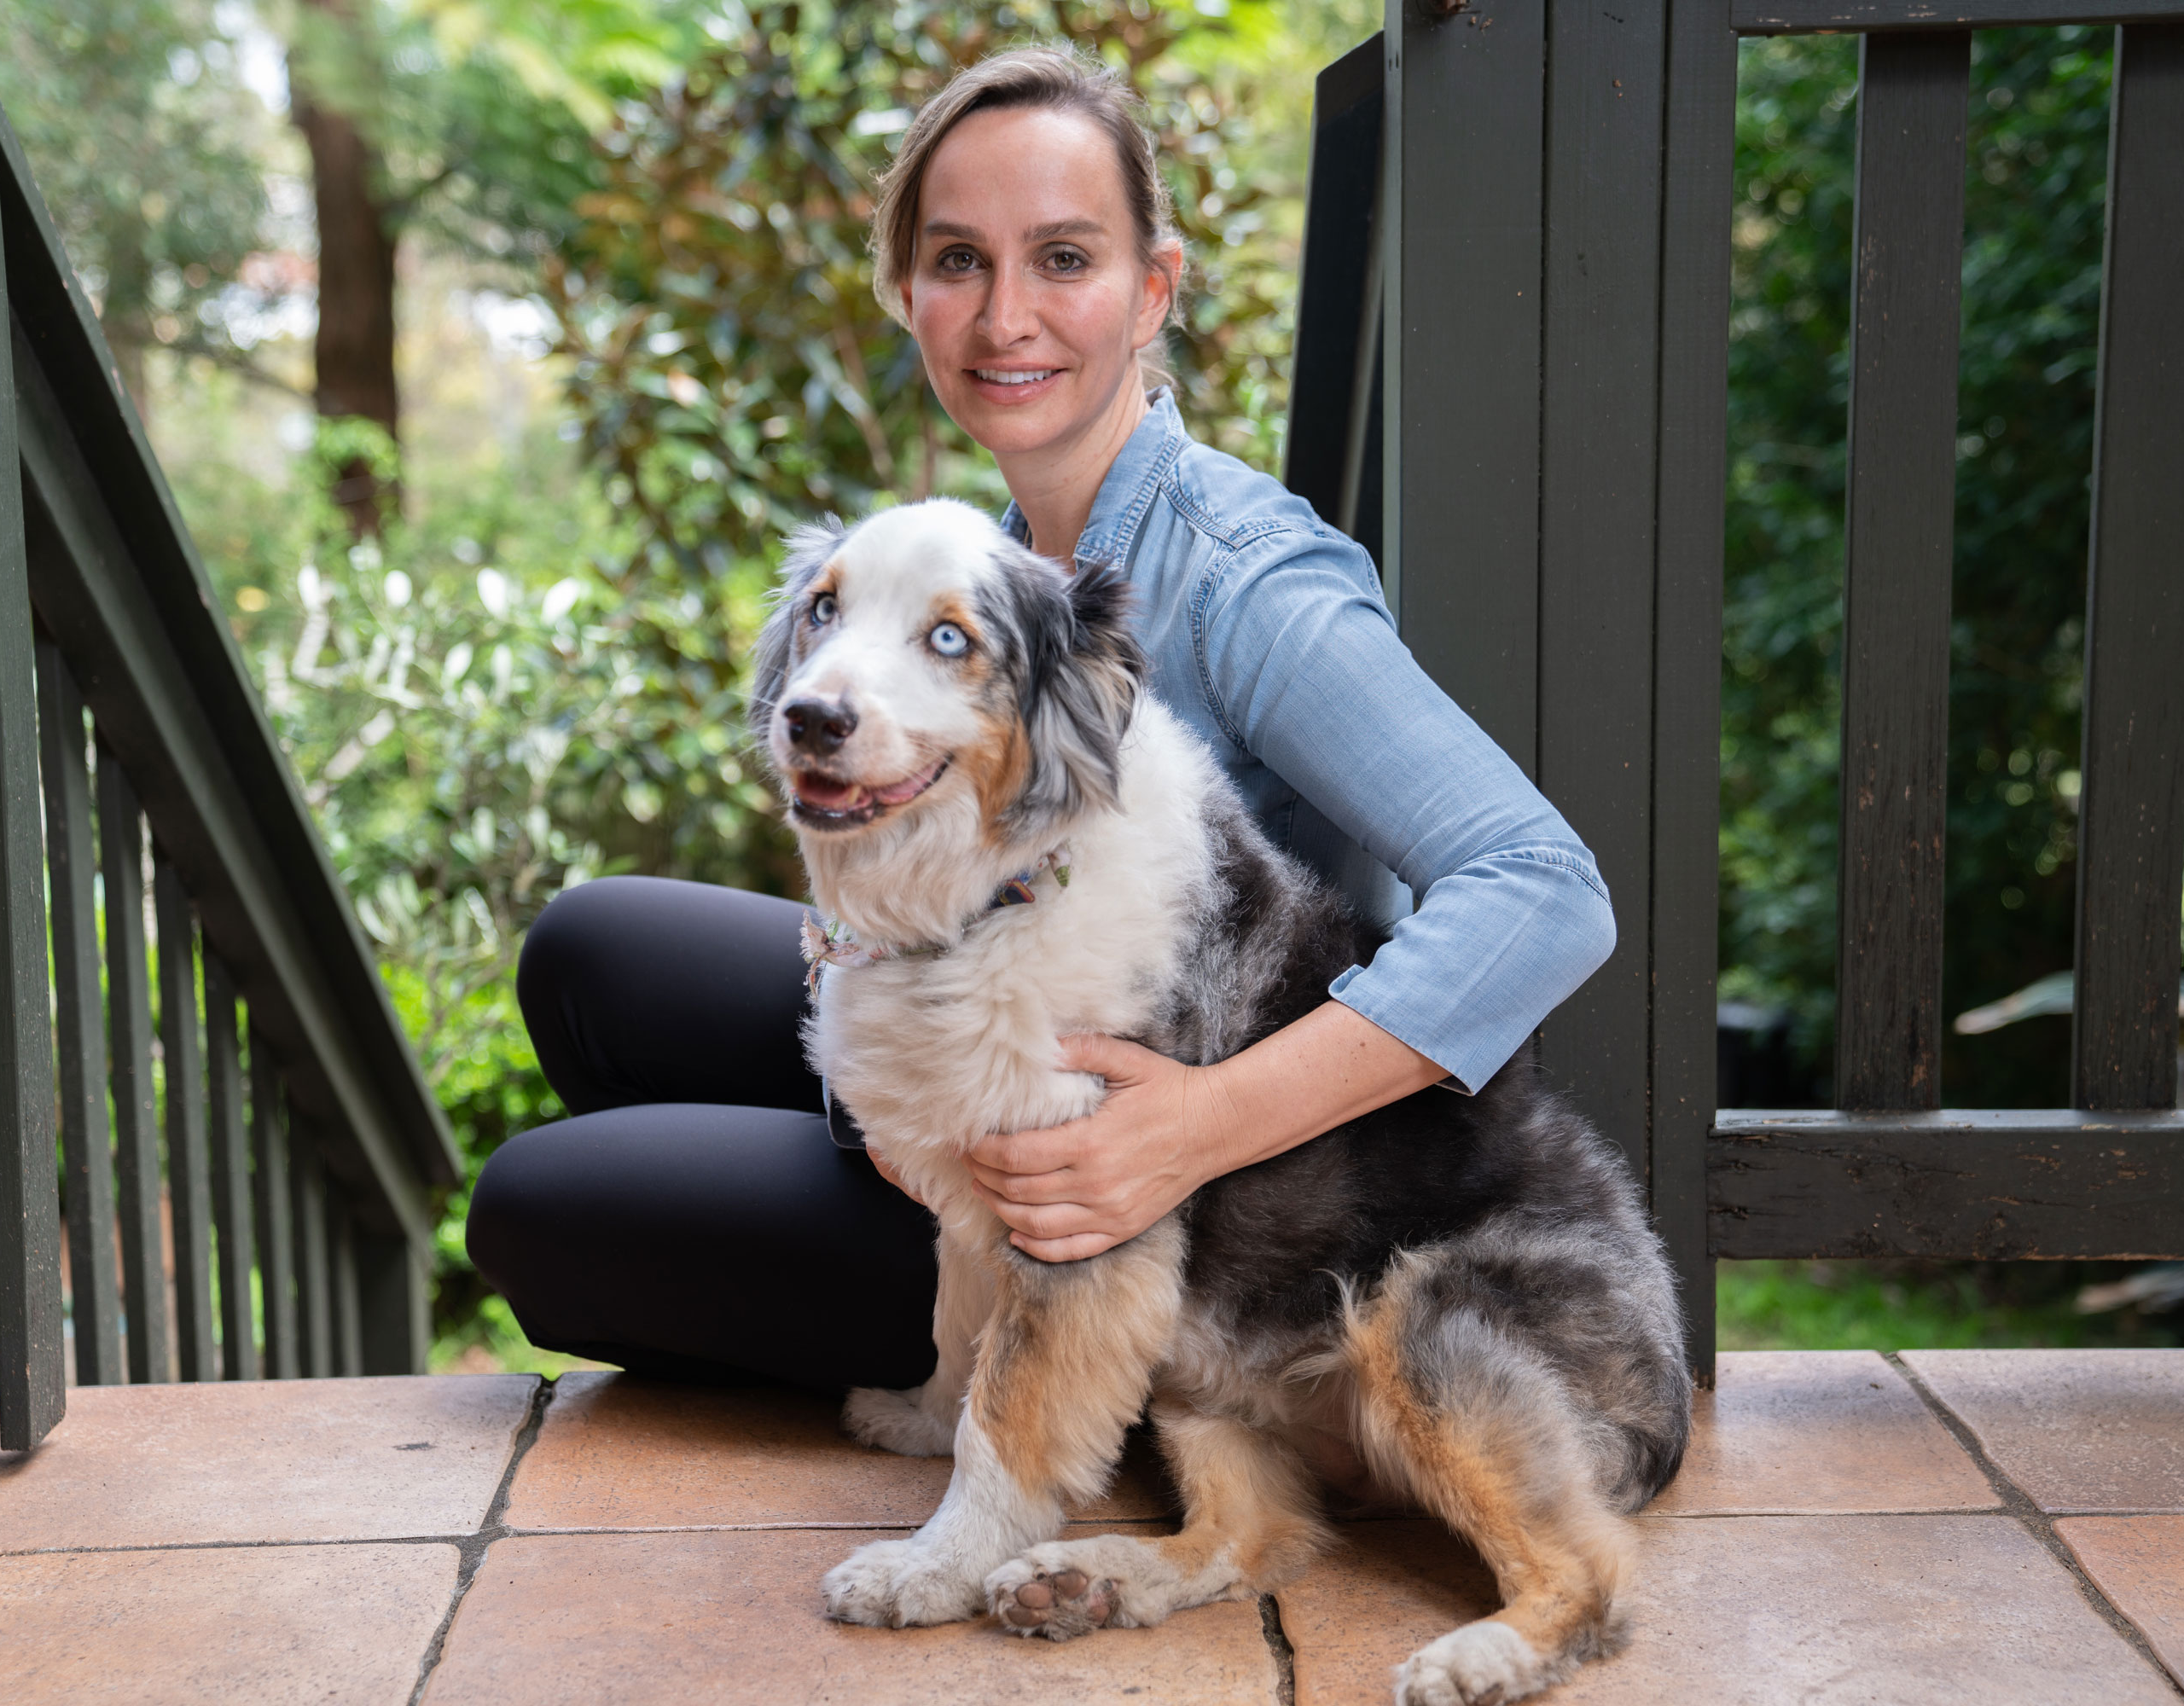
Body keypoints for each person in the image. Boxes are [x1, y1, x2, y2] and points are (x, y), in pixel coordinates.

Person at [465, 45, 1615, 1393]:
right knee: (591, 955)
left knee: (542, 1212)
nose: (1006, 313)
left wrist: (1191, 1127)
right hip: (975, 1032)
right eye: (959, 260)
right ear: (907, 292)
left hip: (1136, 1202)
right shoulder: (1004, 554)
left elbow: (1542, 891)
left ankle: (1033, 1377)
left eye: (1064, 259)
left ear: (1152, 290)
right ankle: (866, 1162)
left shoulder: (1245, 577)